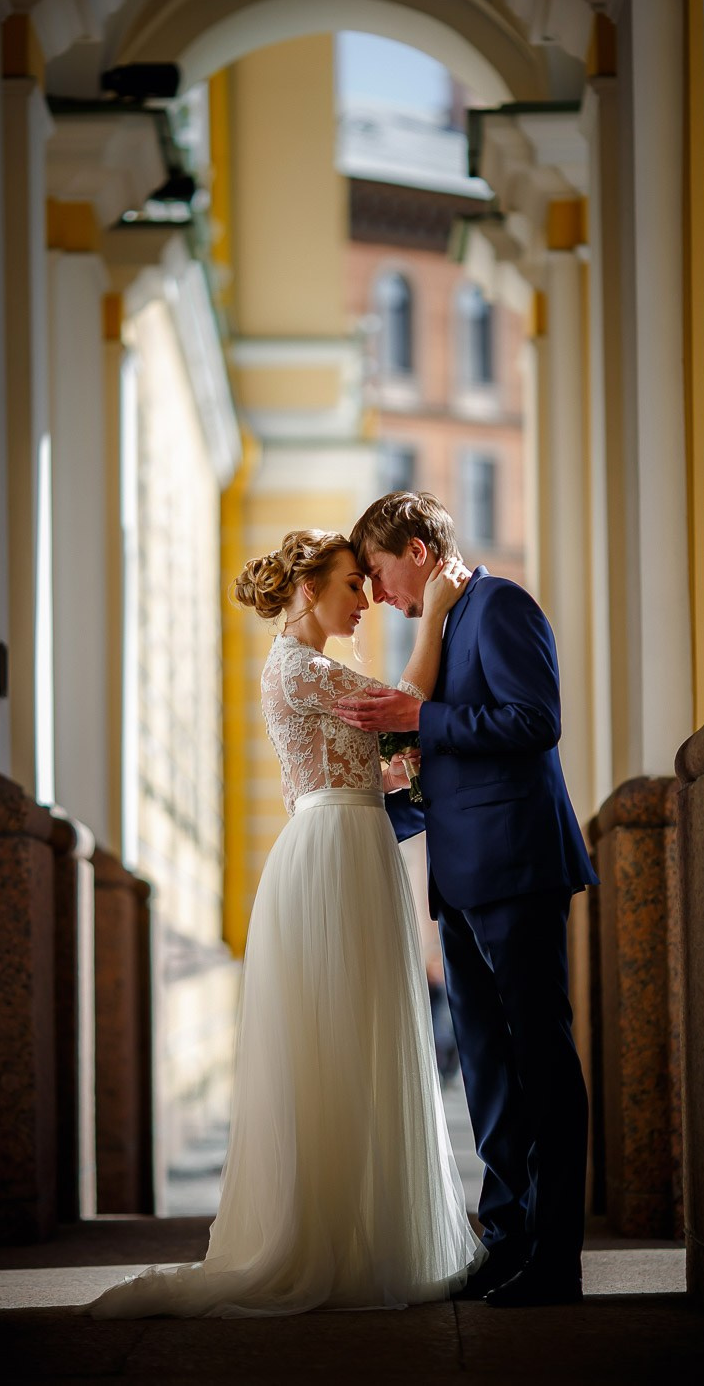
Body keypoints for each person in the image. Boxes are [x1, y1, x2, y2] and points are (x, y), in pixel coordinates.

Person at [84, 529, 484, 1318]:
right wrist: (432, 617)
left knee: (364, 1038)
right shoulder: (300, 668)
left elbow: (390, 761)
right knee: (333, 1041)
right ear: (307, 591)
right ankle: (328, 1242)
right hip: (331, 855)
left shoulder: (312, 669)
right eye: (349, 584)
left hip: (354, 847)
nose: (364, 600)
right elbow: (399, 721)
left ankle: (371, 1236)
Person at [336, 492, 599, 1308]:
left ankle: (556, 1259)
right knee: (487, 1069)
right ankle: (507, 1240)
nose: (375, 595)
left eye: (377, 574)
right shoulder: (444, 624)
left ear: (414, 551)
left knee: (540, 1060)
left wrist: (424, 718)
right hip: (457, 878)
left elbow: (535, 718)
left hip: (518, 866)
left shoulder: (501, 604)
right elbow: (445, 749)